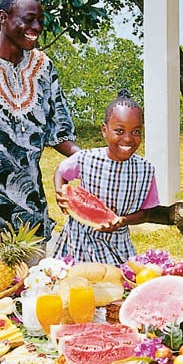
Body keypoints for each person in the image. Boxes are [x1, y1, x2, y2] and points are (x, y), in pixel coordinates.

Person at [0, 0, 81, 240]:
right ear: (3, 18)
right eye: (28, 19)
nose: (36, 27)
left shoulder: (43, 66)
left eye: (40, 21)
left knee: (34, 278)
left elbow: (58, 130)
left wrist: (91, 160)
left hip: (30, 206)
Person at [52, 90, 159, 265]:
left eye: (136, 132)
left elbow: (145, 213)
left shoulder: (146, 170)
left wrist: (122, 220)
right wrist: (60, 192)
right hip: (78, 242)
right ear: (104, 130)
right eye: (119, 131)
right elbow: (60, 171)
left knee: (116, 286)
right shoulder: (86, 158)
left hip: (117, 244)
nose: (128, 138)